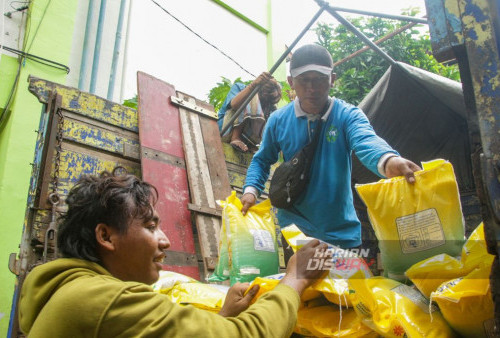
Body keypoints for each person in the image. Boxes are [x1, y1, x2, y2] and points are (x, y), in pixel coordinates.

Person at [18, 169, 327, 337]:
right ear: (105, 236)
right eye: (151, 227)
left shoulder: (70, 293)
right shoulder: (102, 301)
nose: (165, 241)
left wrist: (221, 318)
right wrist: (295, 279)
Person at [241, 44, 420, 250]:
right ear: (291, 82)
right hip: (296, 230)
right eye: (304, 80)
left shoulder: (348, 115)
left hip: (342, 232)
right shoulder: (278, 120)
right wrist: (251, 190)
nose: (312, 88)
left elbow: (366, 140)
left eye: (319, 79)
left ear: (332, 80)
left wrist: (388, 160)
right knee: (301, 281)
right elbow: (262, 160)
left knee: (345, 283)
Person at [218, 72, 282, 153]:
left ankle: (250, 144)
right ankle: (236, 137)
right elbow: (234, 105)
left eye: (268, 102)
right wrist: (253, 85)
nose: (265, 104)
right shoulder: (240, 88)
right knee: (250, 97)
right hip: (225, 129)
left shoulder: (269, 107)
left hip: (246, 142)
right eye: (264, 100)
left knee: (272, 115)